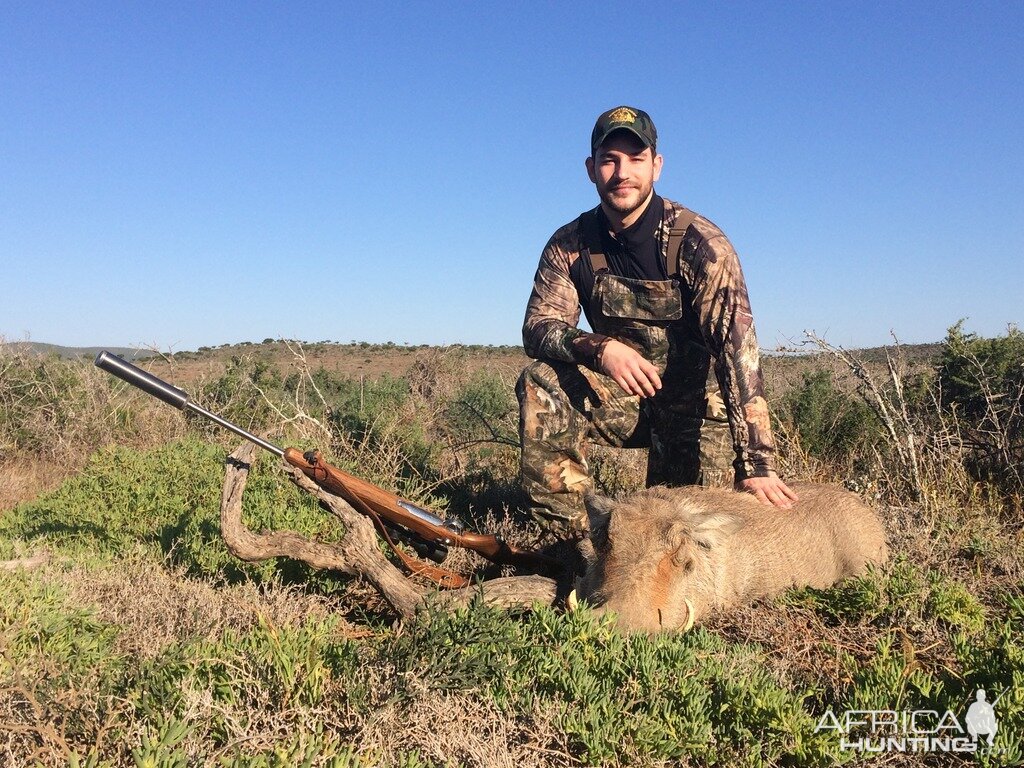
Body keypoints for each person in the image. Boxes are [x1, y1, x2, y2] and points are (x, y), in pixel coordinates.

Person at [517, 105, 797, 532]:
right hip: (625, 402)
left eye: (635, 159)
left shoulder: (701, 245)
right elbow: (537, 326)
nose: (622, 172)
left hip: (697, 410)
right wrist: (602, 349)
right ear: (591, 169)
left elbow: (739, 355)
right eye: (609, 160)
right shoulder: (569, 244)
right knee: (542, 380)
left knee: (680, 529)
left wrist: (756, 462)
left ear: (657, 166)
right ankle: (568, 544)